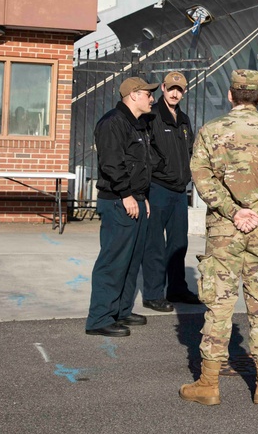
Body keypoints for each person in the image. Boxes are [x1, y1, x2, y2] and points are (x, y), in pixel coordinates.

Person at [180, 69, 258, 406]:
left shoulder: (211, 131)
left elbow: (201, 176)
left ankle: (208, 384)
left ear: (231, 95)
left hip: (223, 230)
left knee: (219, 306)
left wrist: (233, 212)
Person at [85, 77, 159, 337]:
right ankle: (99, 318)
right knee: (113, 260)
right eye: (148, 94)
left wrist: (142, 196)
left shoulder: (137, 124)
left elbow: (140, 165)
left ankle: (121, 311)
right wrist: (127, 195)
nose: (152, 98)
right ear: (133, 95)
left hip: (134, 198)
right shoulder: (113, 123)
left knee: (131, 260)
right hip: (117, 200)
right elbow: (111, 164)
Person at [142, 71, 200, 312]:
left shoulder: (184, 120)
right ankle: (153, 293)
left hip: (178, 191)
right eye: (171, 88)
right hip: (158, 188)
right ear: (163, 88)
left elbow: (190, 151)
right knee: (155, 244)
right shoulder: (152, 116)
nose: (175, 93)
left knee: (178, 243)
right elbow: (144, 152)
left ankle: (176, 288)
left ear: (184, 92)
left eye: (180, 89)